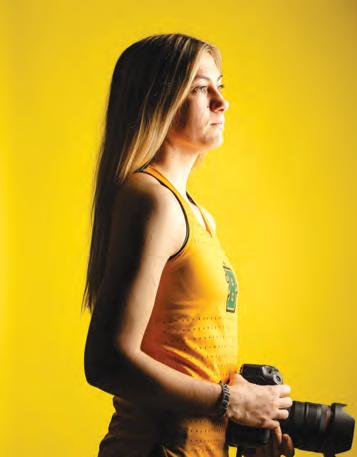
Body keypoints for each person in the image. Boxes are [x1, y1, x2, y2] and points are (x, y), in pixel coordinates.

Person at [82, 33, 294, 457]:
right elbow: (107, 361)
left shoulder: (197, 215)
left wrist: (246, 419)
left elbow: (189, 357)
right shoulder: (151, 199)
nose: (221, 102)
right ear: (156, 102)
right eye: (199, 88)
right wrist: (231, 402)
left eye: (220, 85)